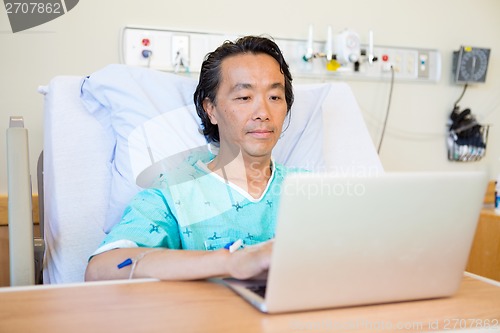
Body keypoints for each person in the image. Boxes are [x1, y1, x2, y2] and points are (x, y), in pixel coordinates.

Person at [85, 35, 301, 282]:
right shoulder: (174, 193)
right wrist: (232, 262)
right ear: (211, 110)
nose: (263, 112)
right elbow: (101, 268)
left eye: (275, 97)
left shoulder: (312, 189)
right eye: (244, 97)